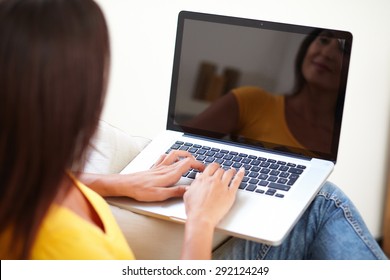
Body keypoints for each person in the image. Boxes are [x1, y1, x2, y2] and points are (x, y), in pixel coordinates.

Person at [0, 0, 386, 260]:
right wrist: (202, 218)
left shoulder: (20, 179)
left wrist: (116, 182)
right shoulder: (59, 246)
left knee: (315, 201)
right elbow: (195, 133)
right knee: (322, 204)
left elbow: (37, 181)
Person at [186, 29, 349, 158]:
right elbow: (179, 149)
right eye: (324, 39)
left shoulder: (347, 142)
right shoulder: (251, 101)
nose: (327, 54)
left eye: (343, 49)